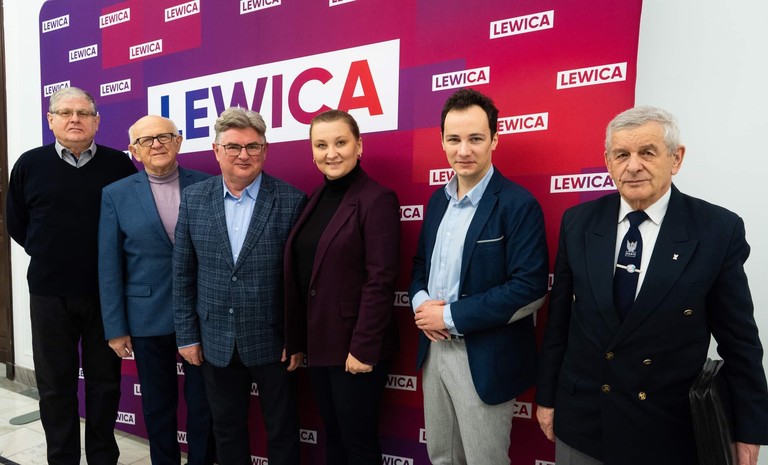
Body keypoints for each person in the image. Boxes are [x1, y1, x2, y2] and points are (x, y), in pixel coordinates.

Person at [536, 106, 768, 465]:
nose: (633, 166)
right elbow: (559, 324)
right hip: (583, 423)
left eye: (647, 152)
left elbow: (740, 342)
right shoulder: (577, 222)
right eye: (621, 155)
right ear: (608, 162)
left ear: (676, 158)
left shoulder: (717, 230)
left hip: (666, 431)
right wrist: (547, 398)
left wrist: (747, 429)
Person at [409, 88, 549, 465]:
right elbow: (420, 264)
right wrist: (423, 306)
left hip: (484, 357)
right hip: (434, 351)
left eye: (475, 138)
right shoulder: (437, 202)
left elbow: (529, 288)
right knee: (442, 457)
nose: (464, 150)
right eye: (454, 139)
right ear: (442, 141)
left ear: (494, 139)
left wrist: (448, 316)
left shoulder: (518, 204)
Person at [5, 87, 137, 464]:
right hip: (49, 293)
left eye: (83, 113)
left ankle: (102, 457)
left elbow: (133, 224)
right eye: (65, 113)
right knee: (54, 386)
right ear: (51, 120)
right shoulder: (29, 164)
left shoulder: (119, 165)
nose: (74, 119)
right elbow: (17, 223)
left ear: (97, 121)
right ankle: (61, 458)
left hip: (105, 295)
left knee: (105, 384)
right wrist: (52, 253)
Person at [173, 107, 306, 465]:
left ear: (265, 150)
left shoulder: (291, 200)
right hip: (215, 339)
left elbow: (299, 281)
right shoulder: (194, 199)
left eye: (252, 146)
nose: (243, 155)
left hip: (274, 341)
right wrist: (187, 335)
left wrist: (295, 338)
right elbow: (183, 273)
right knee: (227, 430)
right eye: (233, 147)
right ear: (217, 150)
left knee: (282, 429)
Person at [284, 109, 400, 464]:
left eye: (340, 143)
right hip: (320, 345)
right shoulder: (315, 198)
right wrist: (297, 340)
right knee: (333, 436)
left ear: (359, 146)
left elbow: (380, 280)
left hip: (355, 347)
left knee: (357, 443)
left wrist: (362, 349)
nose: (331, 153)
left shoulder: (377, 199)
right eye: (321, 145)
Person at [98, 115, 216, 465]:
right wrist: (116, 328)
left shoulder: (208, 185)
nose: (156, 145)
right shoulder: (116, 195)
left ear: (178, 141)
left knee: (203, 403)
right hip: (146, 316)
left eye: (164, 137)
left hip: (201, 314)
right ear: (134, 151)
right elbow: (109, 265)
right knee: (157, 404)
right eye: (146, 140)